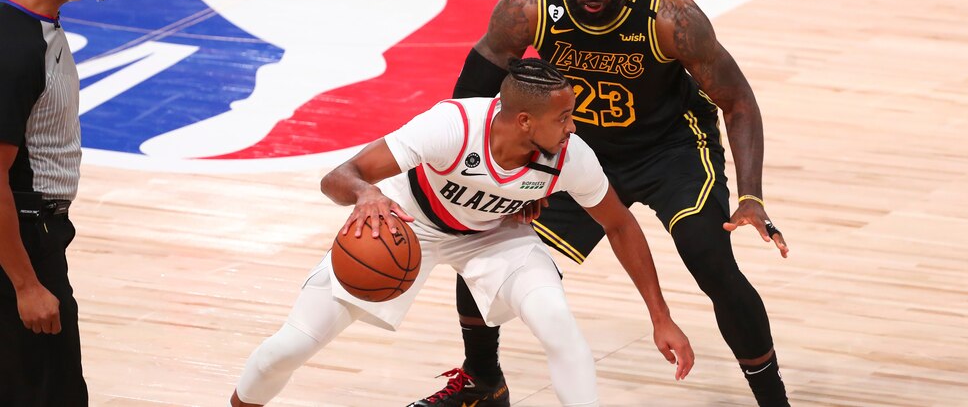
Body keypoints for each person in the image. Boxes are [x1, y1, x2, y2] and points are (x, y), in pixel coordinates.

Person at [411, 0, 791, 407]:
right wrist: (486, 178)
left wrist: (751, 196)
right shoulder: (527, 5)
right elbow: (470, 99)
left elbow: (738, 101)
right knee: (489, 249)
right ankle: (484, 381)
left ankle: (774, 400)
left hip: (670, 149)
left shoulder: (669, 15)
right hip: (576, 150)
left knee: (710, 257)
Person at [229, 58, 694, 407]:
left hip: (492, 236)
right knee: (289, 348)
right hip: (406, 224)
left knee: (556, 321)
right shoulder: (451, 126)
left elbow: (619, 223)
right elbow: (339, 175)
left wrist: (660, 316)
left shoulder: (570, 156)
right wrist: (366, 194)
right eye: (564, 117)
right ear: (525, 121)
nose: (573, 125)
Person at [1, 0, 104, 406]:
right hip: (23, 242)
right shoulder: (17, 51)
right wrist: (26, 285)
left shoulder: (29, 25)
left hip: (37, 235)